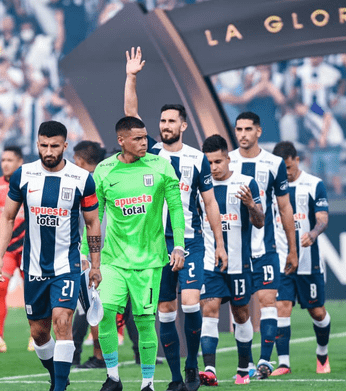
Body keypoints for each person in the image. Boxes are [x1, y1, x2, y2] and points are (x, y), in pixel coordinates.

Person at [124, 46, 227, 391]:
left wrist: (220, 244)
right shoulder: (148, 153)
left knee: (190, 302)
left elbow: (210, 204)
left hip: (191, 242)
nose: (166, 126)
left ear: (183, 125)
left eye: (172, 121)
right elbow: (130, 113)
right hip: (155, 243)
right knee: (165, 311)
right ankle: (177, 377)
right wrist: (131, 76)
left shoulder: (198, 159)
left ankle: (193, 364)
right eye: (163, 121)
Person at [0, 121, 102, 391]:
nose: (49, 151)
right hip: (33, 267)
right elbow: (7, 217)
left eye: (55, 146)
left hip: (67, 265)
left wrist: (95, 264)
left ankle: (60, 387)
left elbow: (92, 223)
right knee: (39, 334)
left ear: (65, 146)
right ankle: (57, 377)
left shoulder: (81, 179)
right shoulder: (23, 175)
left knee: (62, 321)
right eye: (44, 145)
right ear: (37, 144)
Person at [93, 116, 185, 391]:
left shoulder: (161, 166)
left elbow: (176, 209)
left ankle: (148, 383)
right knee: (106, 314)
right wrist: (89, 257)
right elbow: (93, 219)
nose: (145, 142)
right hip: (112, 260)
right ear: (121, 141)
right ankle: (113, 377)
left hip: (149, 262)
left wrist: (178, 245)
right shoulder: (104, 170)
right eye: (138, 138)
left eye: (145, 137)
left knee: (145, 321)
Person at [229, 111, 298, 379]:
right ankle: (244, 362)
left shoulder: (274, 163)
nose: (243, 134)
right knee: (241, 308)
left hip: (265, 248)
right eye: (239, 129)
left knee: (268, 300)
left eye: (248, 129)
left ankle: (265, 362)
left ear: (259, 131)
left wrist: (292, 249)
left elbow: (284, 207)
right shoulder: (228, 162)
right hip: (236, 251)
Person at [198, 135, 264, 386]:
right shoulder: (201, 187)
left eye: (217, 161)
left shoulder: (247, 184)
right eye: (209, 163)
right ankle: (210, 370)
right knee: (210, 310)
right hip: (209, 263)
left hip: (239, 263)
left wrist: (250, 205)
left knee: (241, 314)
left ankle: (243, 368)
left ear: (228, 158)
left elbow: (260, 222)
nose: (213, 167)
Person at [271, 141, 331, 375]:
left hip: (308, 261)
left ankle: (323, 353)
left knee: (317, 312)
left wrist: (313, 234)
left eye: (288, 167)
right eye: (281, 169)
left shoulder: (314, 185)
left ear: (297, 160)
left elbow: (323, 217)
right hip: (280, 260)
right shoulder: (272, 187)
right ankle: (284, 362)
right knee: (282, 307)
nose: (285, 173)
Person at [71, 141, 107, 368]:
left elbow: (90, 223)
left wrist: (87, 255)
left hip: (93, 252)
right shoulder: (104, 177)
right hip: (107, 250)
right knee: (87, 306)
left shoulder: (87, 182)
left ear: (81, 161)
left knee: (90, 305)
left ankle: (99, 356)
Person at [0, 146, 25, 354]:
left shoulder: (30, 183)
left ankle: (35, 337)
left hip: (28, 247)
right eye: (2, 160)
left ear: (20, 162)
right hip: (7, 248)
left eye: (9, 160)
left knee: (33, 294)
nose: (5, 164)